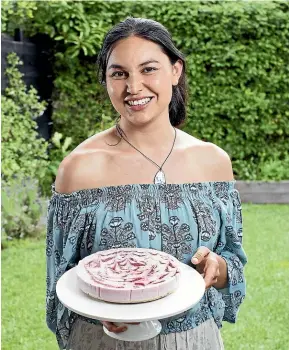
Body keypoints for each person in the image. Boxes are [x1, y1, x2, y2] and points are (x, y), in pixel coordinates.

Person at [46, 17, 247, 350]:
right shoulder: (79, 169)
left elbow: (233, 259)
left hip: (194, 340)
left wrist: (219, 267)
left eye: (148, 69)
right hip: (103, 341)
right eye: (119, 73)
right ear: (107, 81)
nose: (134, 87)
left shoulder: (214, 162)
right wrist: (97, 310)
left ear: (175, 71)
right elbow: (61, 281)